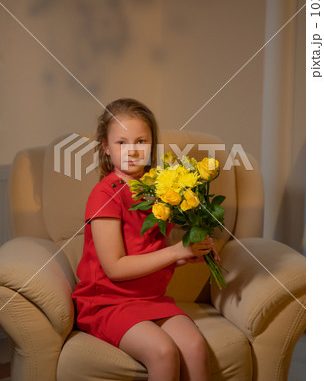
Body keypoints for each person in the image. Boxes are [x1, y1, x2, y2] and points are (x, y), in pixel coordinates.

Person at [72, 98, 218, 381]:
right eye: (122, 143)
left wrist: (194, 250)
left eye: (141, 141)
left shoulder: (159, 190)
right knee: (163, 351)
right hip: (107, 302)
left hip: (150, 297)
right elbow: (114, 267)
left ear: (152, 145)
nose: (132, 151)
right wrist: (176, 252)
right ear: (105, 146)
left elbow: (152, 250)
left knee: (195, 346)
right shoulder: (104, 195)